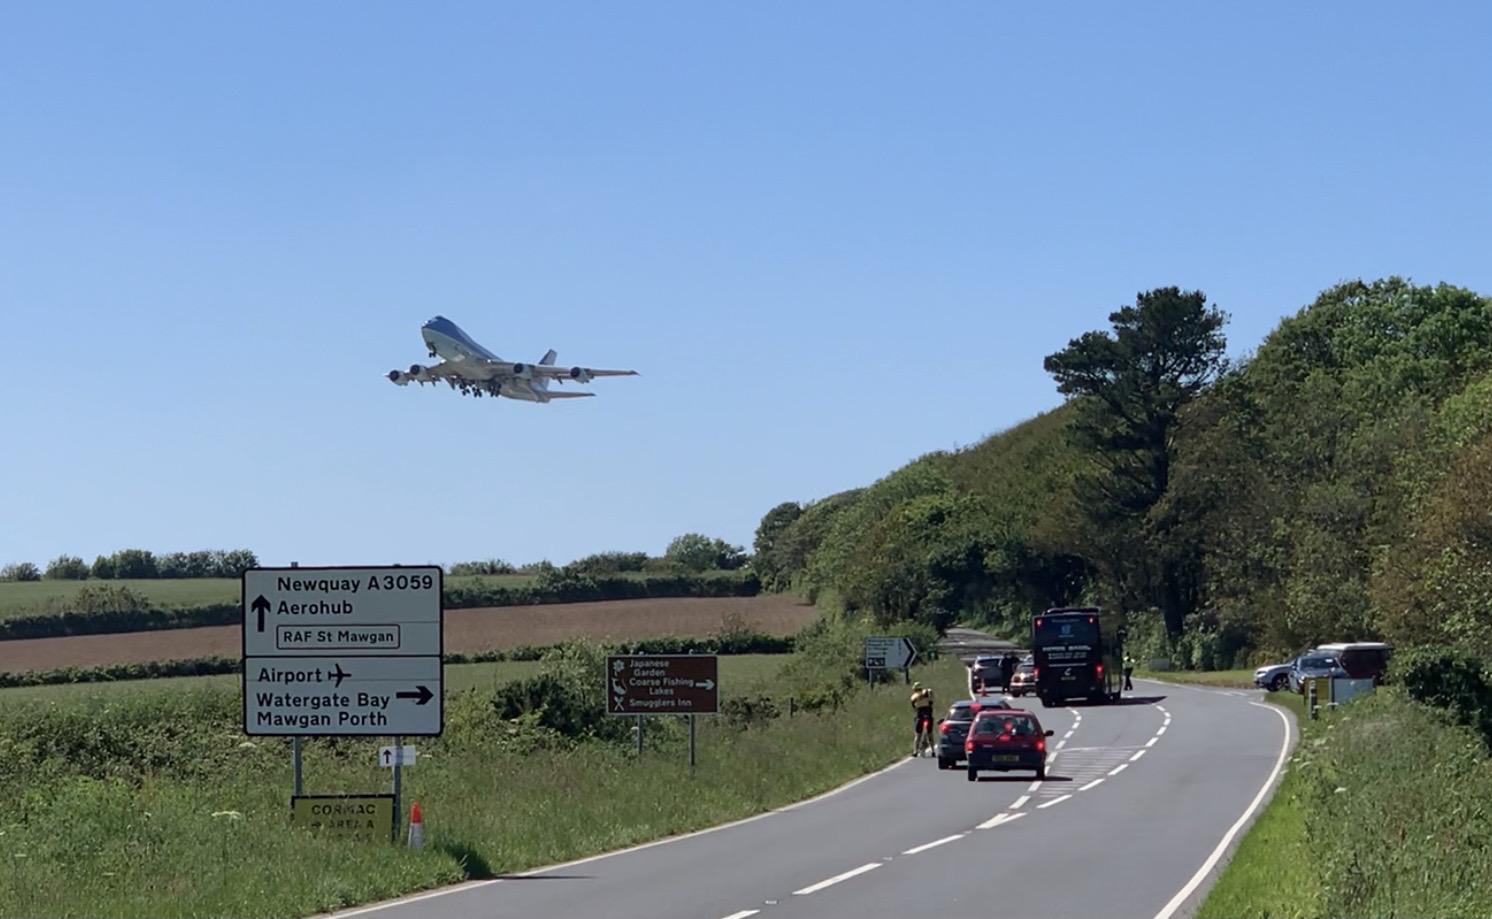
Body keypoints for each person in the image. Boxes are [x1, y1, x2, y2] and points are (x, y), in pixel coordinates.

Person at [910, 681, 935, 756]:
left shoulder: (913, 697)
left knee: (917, 735)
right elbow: (932, 702)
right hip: (928, 715)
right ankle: (933, 751)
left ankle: (915, 751)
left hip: (920, 716)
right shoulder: (928, 692)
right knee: (930, 734)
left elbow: (914, 708)